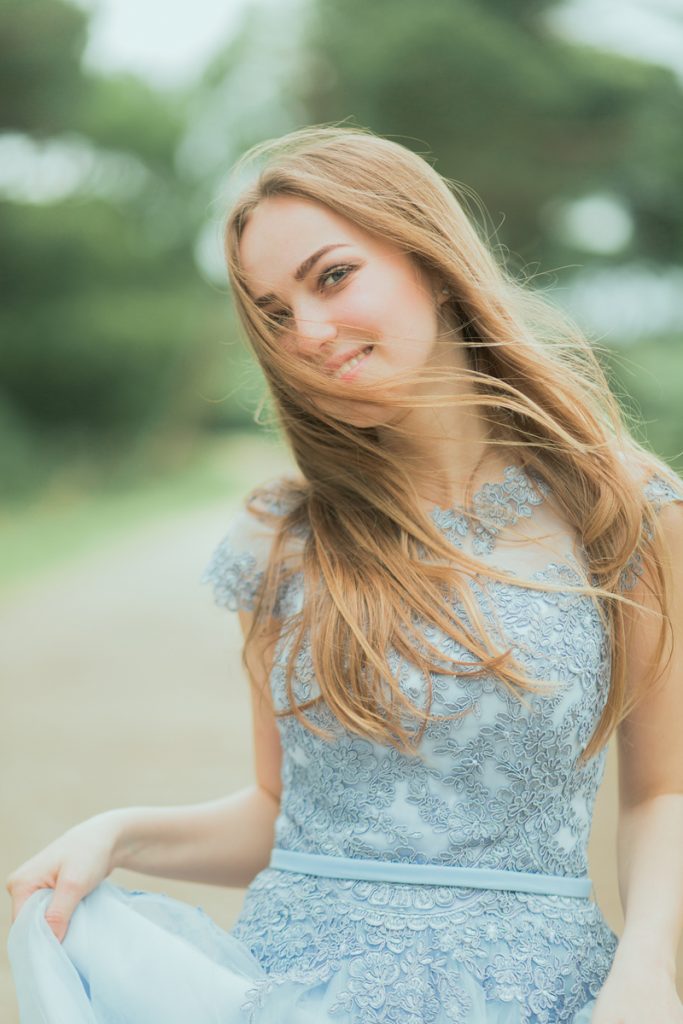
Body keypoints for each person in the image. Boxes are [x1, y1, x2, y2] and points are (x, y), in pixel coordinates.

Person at [7, 124, 683, 1023]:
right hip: (297, 987)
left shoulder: (623, 511)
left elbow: (661, 792)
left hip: (527, 992)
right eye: (275, 313)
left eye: (331, 277)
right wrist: (118, 834)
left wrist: (647, 971)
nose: (309, 333)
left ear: (431, 260)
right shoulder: (283, 536)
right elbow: (277, 810)